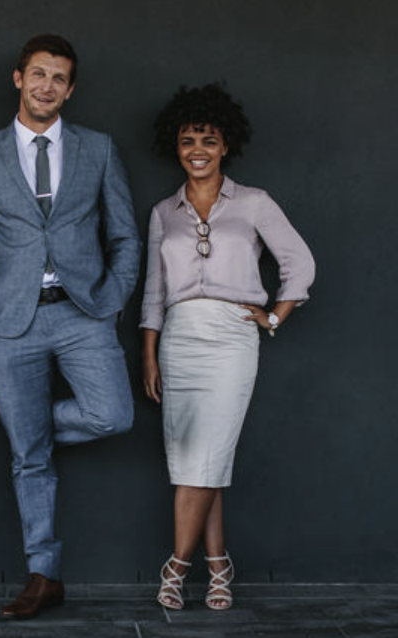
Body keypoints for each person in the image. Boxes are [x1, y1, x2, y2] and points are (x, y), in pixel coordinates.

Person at [0, 34, 140, 620]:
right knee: (30, 460)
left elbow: (125, 235)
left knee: (113, 415)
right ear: (18, 78)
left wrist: (112, 299)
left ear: (70, 88)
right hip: (9, 323)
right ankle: (42, 574)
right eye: (38, 74)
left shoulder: (98, 149)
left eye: (58, 78)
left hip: (84, 313)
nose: (47, 86)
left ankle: (27, 434)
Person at [141, 83, 315, 611]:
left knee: (206, 455)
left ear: (226, 146)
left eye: (209, 140)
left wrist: (274, 317)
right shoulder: (162, 212)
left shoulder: (255, 203)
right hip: (178, 338)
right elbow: (153, 289)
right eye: (189, 139)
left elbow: (299, 264)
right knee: (199, 460)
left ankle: (175, 566)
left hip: (233, 338)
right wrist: (147, 354)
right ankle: (220, 567)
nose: (198, 149)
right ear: (176, 145)